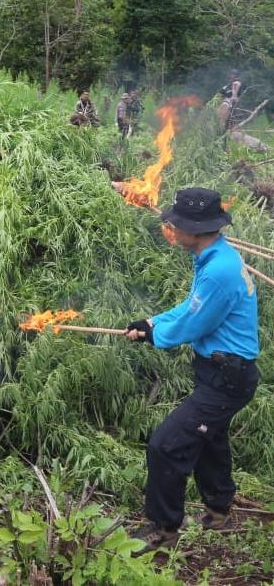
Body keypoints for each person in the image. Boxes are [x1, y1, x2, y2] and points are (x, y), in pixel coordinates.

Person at [126, 188, 258, 552]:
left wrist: (156, 337)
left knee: (166, 446)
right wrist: (151, 322)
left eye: (175, 224)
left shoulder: (219, 270)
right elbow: (190, 307)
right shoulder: (213, 256)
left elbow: (193, 325)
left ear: (196, 229)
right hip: (220, 371)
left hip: (227, 378)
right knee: (209, 437)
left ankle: (162, 527)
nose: (169, 227)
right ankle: (219, 509)